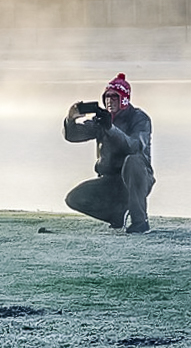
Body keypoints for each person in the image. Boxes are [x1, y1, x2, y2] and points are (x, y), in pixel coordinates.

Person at [63, 73, 154, 234]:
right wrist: (70, 120)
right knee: (74, 198)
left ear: (124, 99)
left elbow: (135, 146)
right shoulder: (102, 119)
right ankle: (117, 216)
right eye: (107, 97)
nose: (109, 101)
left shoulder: (140, 119)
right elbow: (73, 136)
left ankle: (140, 221)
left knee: (133, 161)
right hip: (110, 181)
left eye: (114, 97)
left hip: (137, 178)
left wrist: (110, 128)